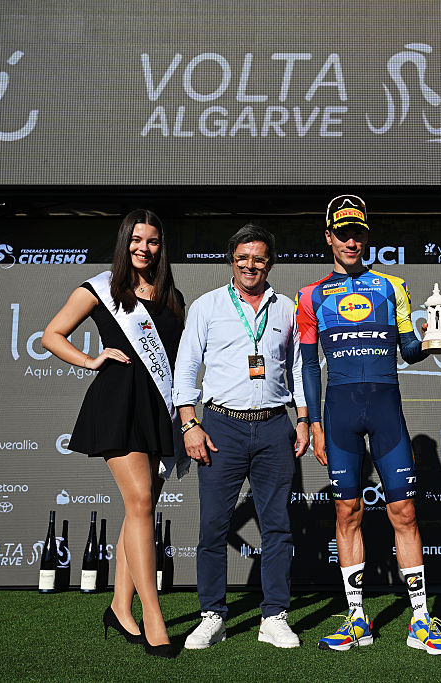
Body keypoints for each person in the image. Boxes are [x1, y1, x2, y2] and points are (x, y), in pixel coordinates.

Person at [298, 195, 441, 656]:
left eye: (359, 232)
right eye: (343, 232)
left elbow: (409, 349)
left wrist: (434, 341)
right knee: (346, 513)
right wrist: (312, 422)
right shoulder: (309, 296)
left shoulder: (393, 286)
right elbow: (310, 366)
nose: (352, 240)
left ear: (367, 236)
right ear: (328, 236)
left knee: (404, 514)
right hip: (340, 415)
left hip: (386, 411)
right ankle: (356, 620)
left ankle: (421, 621)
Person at [42, 209, 187, 658]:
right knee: (141, 502)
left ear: (162, 246)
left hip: (157, 409)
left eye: (153, 241)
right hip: (119, 405)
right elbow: (52, 334)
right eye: (137, 240)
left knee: (139, 509)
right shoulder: (99, 289)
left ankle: (119, 608)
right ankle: (153, 616)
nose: (144, 248)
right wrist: (90, 360)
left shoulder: (171, 296)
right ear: (125, 242)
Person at [175, 224, 309, 651]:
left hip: (274, 426)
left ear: (270, 262)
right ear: (231, 260)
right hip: (220, 426)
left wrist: (304, 419)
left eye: (259, 258)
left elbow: (303, 369)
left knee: (278, 528)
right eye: (243, 258)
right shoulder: (207, 306)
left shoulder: (288, 308)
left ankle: (274, 616)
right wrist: (189, 424)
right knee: (213, 526)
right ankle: (213, 615)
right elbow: (186, 367)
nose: (251, 265)